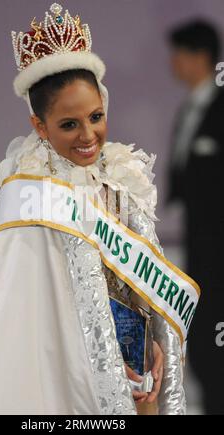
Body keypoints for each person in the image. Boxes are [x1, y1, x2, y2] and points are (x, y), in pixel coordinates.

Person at [0, 3, 194, 415]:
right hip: (69, 380)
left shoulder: (118, 175)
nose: (88, 135)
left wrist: (152, 345)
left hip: (138, 372)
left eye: (96, 116)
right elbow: (29, 319)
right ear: (39, 126)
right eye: (68, 124)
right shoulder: (30, 189)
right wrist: (101, 365)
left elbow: (136, 281)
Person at [166, 19, 224, 415]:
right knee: (201, 340)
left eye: (179, 55)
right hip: (199, 246)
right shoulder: (190, 106)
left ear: (200, 57)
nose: (173, 64)